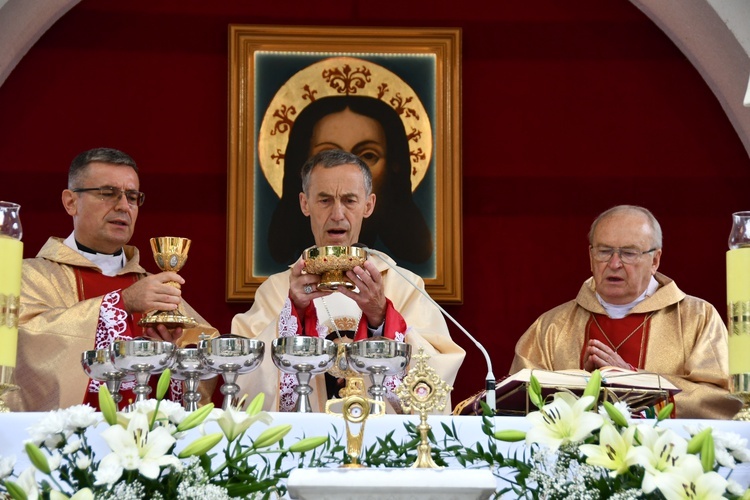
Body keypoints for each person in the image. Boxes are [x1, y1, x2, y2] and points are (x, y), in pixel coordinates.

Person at [232, 149, 465, 413]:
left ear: (369, 205)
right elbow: (242, 381)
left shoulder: (404, 286)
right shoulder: (276, 290)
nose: (338, 214)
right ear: (304, 203)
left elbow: (434, 376)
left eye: (349, 200)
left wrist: (380, 317)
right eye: (324, 200)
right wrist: (293, 312)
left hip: (381, 444)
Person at [10, 147, 217, 412]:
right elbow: (28, 347)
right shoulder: (32, 276)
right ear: (70, 202)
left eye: (132, 196)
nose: (123, 206)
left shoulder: (152, 284)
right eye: (108, 193)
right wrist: (121, 303)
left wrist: (173, 351)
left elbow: (206, 350)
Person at [510, 205, 739, 419]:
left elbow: (720, 400)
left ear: (655, 260)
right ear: (591, 256)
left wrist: (631, 378)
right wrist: (580, 386)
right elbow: (516, 402)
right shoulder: (552, 326)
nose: (614, 263)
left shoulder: (697, 318)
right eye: (604, 251)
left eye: (629, 253)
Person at [268, 95, 433, 266]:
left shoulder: (406, 286)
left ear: (394, 166)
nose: (346, 171)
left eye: (368, 155)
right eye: (328, 157)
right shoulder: (276, 288)